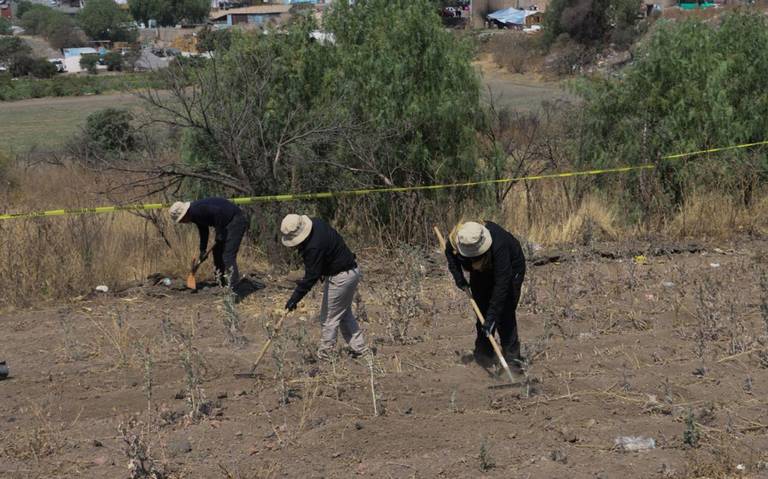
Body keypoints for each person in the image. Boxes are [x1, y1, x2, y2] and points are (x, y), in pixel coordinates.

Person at [281, 214, 368, 360]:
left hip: (341, 277)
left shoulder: (313, 247)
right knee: (343, 313)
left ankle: (326, 355)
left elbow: (311, 277)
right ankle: (360, 349)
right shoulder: (317, 222)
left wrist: (294, 299)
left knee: (329, 318)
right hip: (350, 272)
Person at [444, 221, 526, 373]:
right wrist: (458, 277)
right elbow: (449, 254)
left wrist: (492, 317)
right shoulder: (457, 239)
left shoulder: (499, 244)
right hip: (480, 272)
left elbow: (502, 286)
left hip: (511, 268)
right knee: (481, 310)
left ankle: (513, 361)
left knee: (504, 313)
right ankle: (484, 353)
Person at [169, 197, 248, 288]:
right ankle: (221, 282)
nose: (182, 222)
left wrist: (219, 232)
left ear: (184, 214)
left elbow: (218, 212)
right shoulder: (193, 215)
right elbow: (203, 230)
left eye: (181, 220)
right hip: (226, 223)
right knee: (217, 252)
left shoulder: (197, 209)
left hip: (235, 220)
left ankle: (234, 288)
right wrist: (203, 250)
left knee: (228, 255)